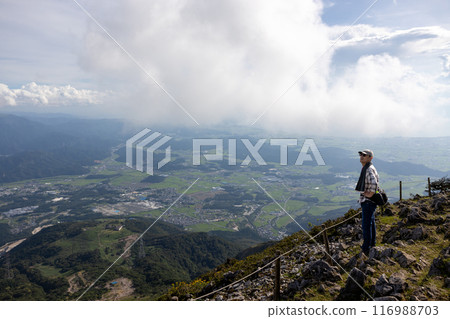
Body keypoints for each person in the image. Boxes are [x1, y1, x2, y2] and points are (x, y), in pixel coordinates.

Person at [355, 149, 379, 256]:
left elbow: (374, 184)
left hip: (368, 201)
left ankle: (366, 247)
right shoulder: (367, 168)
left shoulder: (368, 169)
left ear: (370, 157)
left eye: (364, 155)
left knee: (366, 224)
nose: (361, 156)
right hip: (369, 201)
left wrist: (369, 194)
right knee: (371, 222)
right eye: (361, 155)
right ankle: (372, 243)